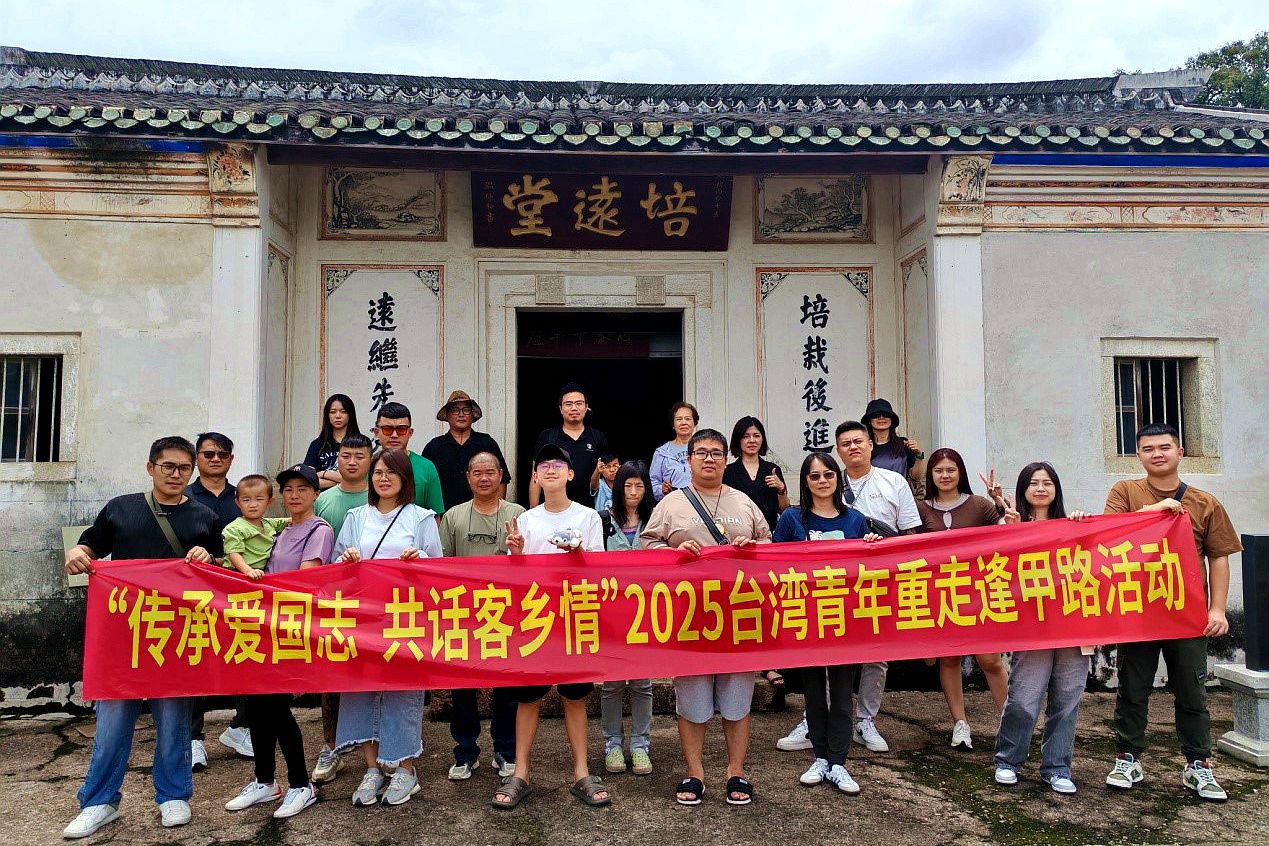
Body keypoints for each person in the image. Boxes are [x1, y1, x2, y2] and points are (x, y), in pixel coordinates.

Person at [61, 436, 220, 838]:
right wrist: (77, 553)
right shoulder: (121, 508)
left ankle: (174, 795)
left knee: (174, 720)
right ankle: (99, 802)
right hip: (123, 635)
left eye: (184, 468)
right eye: (168, 466)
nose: (176, 474)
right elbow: (89, 547)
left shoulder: (204, 516)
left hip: (175, 636)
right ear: (150, 468)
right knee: (112, 723)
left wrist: (209, 558)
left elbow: (221, 570)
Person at [1103, 423, 1239, 803]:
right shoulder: (1125, 492)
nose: (1157, 454)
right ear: (1138, 456)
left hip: (1187, 615)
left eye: (1164, 447)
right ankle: (1128, 758)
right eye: (1148, 449)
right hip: (1138, 614)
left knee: (1192, 691)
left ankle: (1198, 765)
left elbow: (1219, 558)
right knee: (1132, 688)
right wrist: (1154, 510)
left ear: (1180, 452)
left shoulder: (1205, 502)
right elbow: (1110, 533)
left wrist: (1217, 609)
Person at [642, 429, 772, 807]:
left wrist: (752, 548)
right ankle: (695, 772)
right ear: (689, 460)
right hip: (689, 617)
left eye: (716, 453)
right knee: (693, 701)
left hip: (739, 615)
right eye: (701, 453)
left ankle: (736, 771)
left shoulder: (743, 501)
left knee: (737, 700)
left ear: (726, 459)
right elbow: (647, 545)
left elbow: (769, 544)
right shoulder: (671, 504)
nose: (709, 459)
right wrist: (674, 552)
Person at [779, 420, 922, 757]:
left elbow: (910, 535)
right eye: (845, 444)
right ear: (838, 451)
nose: (853, 447)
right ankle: (813, 721)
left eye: (859, 441)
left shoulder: (893, 482)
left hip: (874, 585)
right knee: (820, 659)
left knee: (876, 656)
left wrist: (881, 554)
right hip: (818, 597)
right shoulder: (812, 501)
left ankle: (865, 721)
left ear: (871, 444)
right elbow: (779, 555)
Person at [493, 444, 608, 810]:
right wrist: (515, 553)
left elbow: (599, 570)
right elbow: (516, 576)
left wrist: (578, 555)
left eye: (559, 464)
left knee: (575, 697)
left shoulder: (588, 517)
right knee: (528, 699)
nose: (552, 470)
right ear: (535, 476)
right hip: (535, 617)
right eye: (544, 465)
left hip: (574, 616)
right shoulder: (526, 520)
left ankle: (581, 772)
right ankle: (521, 773)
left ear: (571, 474)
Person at [331, 448, 443, 807]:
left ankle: (405, 769)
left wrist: (420, 560)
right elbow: (335, 566)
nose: (383, 478)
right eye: (378, 472)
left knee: (402, 692)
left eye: (391, 473)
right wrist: (346, 560)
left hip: (404, 620)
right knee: (361, 691)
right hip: (362, 620)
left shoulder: (421, 518)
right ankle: (372, 768)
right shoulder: (356, 516)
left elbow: (439, 569)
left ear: (404, 479)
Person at [225, 465, 331, 819]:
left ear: (316, 494)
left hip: (291, 627)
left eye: (303, 488)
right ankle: (265, 780)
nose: (295, 495)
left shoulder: (318, 529)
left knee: (275, 706)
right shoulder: (278, 528)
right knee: (257, 705)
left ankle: (301, 784)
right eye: (288, 489)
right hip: (261, 626)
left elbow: (305, 579)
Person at [772, 452, 879, 794]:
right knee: (815, 692)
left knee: (843, 693)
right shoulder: (792, 519)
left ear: (838, 479)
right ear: (805, 482)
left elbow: (869, 567)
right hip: (807, 619)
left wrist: (872, 546)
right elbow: (772, 563)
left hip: (845, 619)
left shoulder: (855, 520)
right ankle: (820, 757)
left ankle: (838, 763)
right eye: (815, 476)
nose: (822, 481)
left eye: (828, 474)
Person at [992, 462, 1091, 795]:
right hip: (1032, 628)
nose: (1040, 488)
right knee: (1023, 698)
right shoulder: (1011, 525)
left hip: (1073, 625)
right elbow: (997, 569)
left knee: (1067, 699)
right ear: (1023, 490)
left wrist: (1083, 527)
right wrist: (1011, 531)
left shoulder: (1074, 524)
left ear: (1056, 489)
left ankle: (1057, 768)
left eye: (1047, 483)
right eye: (1033, 483)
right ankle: (1008, 760)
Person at [437, 452, 525, 783]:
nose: (484, 478)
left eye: (490, 472)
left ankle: (506, 751)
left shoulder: (517, 514)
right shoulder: (454, 516)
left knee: (507, 686)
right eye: (478, 473)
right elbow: (441, 564)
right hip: (463, 613)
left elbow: (530, 563)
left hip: (506, 613)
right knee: (463, 686)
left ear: (501, 476)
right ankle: (465, 752)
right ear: (468, 477)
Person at [916, 448, 1009, 751]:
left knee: (990, 659)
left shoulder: (980, 505)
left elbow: (1008, 534)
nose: (945, 476)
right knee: (950, 658)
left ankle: (1010, 721)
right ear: (930, 475)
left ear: (961, 473)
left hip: (978, 592)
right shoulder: (921, 509)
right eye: (938, 470)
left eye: (951, 470)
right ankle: (960, 723)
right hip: (940, 594)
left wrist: (1000, 501)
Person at [185, 431, 252, 765]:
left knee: (245, 655)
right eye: (208, 454)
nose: (215, 459)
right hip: (192, 594)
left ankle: (242, 727)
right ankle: (193, 738)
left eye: (222, 454)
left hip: (237, 592)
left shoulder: (242, 497)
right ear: (197, 458)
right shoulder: (182, 497)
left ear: (231, 459)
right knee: (195, 661)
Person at [309, 433, 373, 784]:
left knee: (374, 674)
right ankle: (331, 746)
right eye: (346, 455)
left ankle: (377, 749)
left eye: (359, 456)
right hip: (331, 598)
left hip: (374, 601)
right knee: (331, 674)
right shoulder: (324, 499)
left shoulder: (378, 497)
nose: (351, 462)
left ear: (370, 460)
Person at [600, 461, 656, 776]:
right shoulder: (602, 520)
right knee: (611, 683)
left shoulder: (655, 520)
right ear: (618, 488)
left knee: (642, 682)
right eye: (627, 485)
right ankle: (612, 744)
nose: (633, 492)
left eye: (639, 486)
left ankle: (640, 744)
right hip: (611, 615)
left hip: (647, 613)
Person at [421, 390, 511, 509]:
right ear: (447, 415)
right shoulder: (434, 446)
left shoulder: (486, 443)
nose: (461, 414)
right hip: (444, 515)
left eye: (466, 410)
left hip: (482, 513)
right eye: (455, 410)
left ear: (472, 415)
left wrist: (496, 511)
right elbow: (424, 485)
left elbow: (502, 480)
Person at [529, 382, 608, 508]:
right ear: (561, 409)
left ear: (586, 407)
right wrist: (533, 512)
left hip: (590, 510)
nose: (574, 408)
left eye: (579, 403)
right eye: (568, 404)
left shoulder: (598, 437)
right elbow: (535, 478)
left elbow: (608, 477)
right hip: (553, 510)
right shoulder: (548, 437)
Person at [371, 401, 446, 517]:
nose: (394, 435)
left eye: (401, 429)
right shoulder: (369, 465)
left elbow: (434, 516)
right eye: (387, 429)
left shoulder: (426, 467)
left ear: (410, 433)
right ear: (376, 432)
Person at [722, 416, 788, 531]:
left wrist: (781, 490)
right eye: (746, 436)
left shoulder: (772, 470)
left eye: (756, 435)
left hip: (770, 533)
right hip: (740, 533)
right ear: (738, 440)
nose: (752, 440)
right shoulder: (728, 471)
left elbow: (784, 509)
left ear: (762, 439)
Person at [221, 475, 289, 580]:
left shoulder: (268, 523)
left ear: (269, 502)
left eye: (259, 499)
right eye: (246, 500)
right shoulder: (234, 528)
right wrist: (248, 571)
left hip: (260, 573)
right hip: (237, 573)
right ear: (238, 503)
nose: (252, 505)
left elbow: (288, 521)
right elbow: (234, 554)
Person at [304, 393, 363, 489]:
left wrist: (323, 474)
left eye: (343, 412)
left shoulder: (361, 443)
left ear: (350, 415)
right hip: (323, 496)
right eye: (333, 412)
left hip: (353, 495)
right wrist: (342, 480)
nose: (338, 416)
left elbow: (360, 477)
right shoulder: (317, 444)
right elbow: (309, 480)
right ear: (327, 415)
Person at [861, 398, 923, 491]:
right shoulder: (863, 446)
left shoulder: (903, 444)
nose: (881, 418)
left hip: (899, 495)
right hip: (872, 495)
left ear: (891, 419)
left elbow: (915, 477)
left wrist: (919, 455)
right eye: (876, 415)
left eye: (886, 414)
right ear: (869, 421)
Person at [650, 402, 697, 501]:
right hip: (671, 504)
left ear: (694, 423)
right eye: (679, 419)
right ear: (673, 424)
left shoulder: (703, 450)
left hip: (699, 504)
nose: (683, 422)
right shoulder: (661, 452)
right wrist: (661, 489)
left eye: (688, 419)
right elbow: (652, 483)